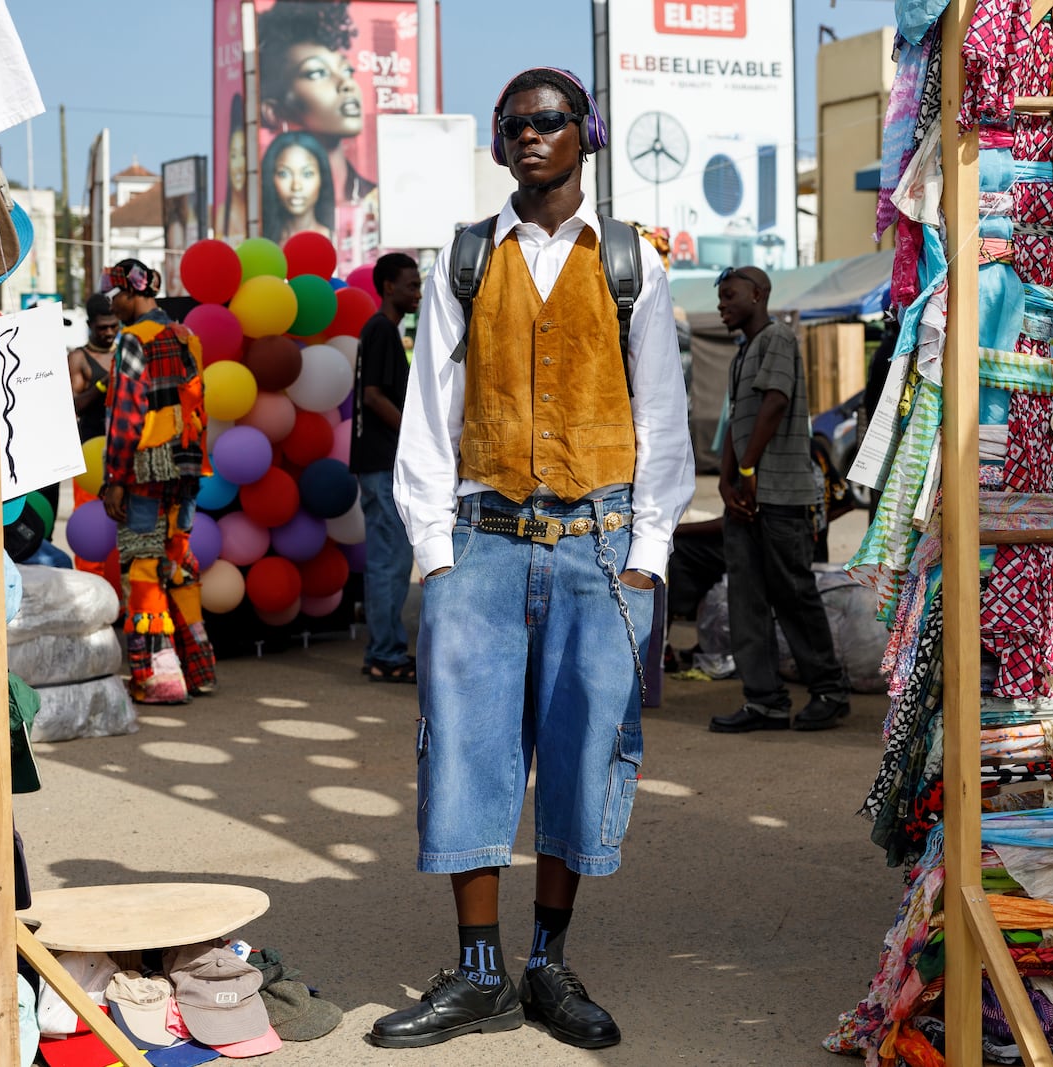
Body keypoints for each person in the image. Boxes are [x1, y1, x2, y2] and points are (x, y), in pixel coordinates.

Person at [370, 68, 693, 1051]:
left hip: (600, 545)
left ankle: (548, 960)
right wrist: (433, 551)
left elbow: (663, 421)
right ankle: (478, 969)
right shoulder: (465, 259)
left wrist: (646, 552)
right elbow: (428, 415)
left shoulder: (631, 259)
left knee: (581, 750)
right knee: (463, 749)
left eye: (548, 120)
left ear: (584, 134)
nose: (528, 136)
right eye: (513, 123)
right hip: (483, 540)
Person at [708, 266, 849, 734]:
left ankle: (829, 691)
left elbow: (775, 403)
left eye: (730, 296)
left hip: (782, 496)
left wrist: (747, 470)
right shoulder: (741, 354)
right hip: (746, 499)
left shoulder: (777, 339)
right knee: (746, 599)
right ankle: (764, 700)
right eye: (720, 298)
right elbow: (735, 425)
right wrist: (727, 483)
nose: (722, 305)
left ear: (758, 294)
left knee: (793, 593)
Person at [98, 259, 218, 703]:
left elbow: (127, 414)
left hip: (147, 468)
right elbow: (197, 404)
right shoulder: (188, 335)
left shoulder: (132, 340)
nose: (114, 303)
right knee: (180, 563)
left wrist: (115, 476)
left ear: (133, 295)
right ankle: (199, 669)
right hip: (188, 467)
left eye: (117, 295)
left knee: (144, 567)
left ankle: (159, 679)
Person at [257, 0, 379, 262]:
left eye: (346, 69)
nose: (346, 84)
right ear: (274, 110)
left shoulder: (374, 198)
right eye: (316, 73)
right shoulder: (265, 243)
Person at [350, 252, 421, 684]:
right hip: (380, 462)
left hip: (380, 461)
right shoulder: (380, 330)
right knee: (390, 562)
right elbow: (373, 396)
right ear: (389, 286)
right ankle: (385, 653)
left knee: (391, 559)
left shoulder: (386, 332)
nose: (417, 292)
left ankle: (386, 649)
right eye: (411, 285)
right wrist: (412, 431)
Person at [259, 131, 335, 243]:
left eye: (307, 174)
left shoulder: (336, 242)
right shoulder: (263, 246)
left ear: (322, 178)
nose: (296, 186)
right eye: (284, 174)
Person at [68, 292, 120, 445]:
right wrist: (103, 385)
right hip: (91, 441)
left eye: (114, 326)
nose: (109, 332)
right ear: (89, 325)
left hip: (121, 440)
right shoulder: (78, 358)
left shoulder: (125, 353)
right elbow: (73, 405)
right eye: (102, 328)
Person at [219, 93, 249, 240]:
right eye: (233, 156)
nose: (238, 165)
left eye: (243, 154)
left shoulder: (264, 213)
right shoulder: (221, 216)